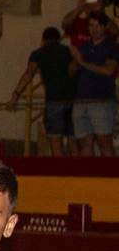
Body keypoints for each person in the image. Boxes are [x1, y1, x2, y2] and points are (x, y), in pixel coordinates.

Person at [8, 26, 76, 156]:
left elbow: (28, 74)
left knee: (56, 144)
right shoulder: (67, 51)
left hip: (54, 102)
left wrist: (16, 95)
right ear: (58, 39)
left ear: (43, 40)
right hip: (72, 102)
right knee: (73, 143)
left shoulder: (39, 53)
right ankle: (79, 174)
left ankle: (60, 173)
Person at [70, 14, 117, 156]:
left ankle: (110, 176)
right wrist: (75, 60)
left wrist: (83, 62)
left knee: (105, 143)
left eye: (97, 26)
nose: (94, 29)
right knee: (84, 144)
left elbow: (108, 71)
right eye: (91, 26)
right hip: (81, 100)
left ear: (104, 27)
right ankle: (88, 177)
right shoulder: (84, 46)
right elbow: (71, 72)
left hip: (101, 102)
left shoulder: (111, 46)